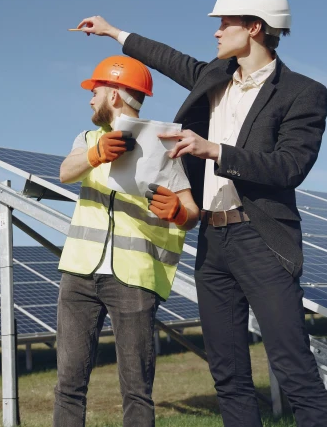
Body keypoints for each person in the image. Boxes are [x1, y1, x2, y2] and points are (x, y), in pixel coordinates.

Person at [75, 0, 327, 426]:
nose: (216, 32)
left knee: (295, 371)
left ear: (254, 27)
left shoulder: (303, 93)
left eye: (225, 24)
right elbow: (168, 58)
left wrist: (214, 150)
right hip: (213, 245)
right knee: (229, 376)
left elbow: (290, 166)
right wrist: (114, 32)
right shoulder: (213, 77)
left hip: (262, 240)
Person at [55, 55, 199, 427]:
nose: (90, 99)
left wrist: (180, 213)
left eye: (95, 90)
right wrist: (96, 154)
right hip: (79, 276)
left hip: (134, 279)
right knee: (69, 383)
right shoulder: (86, 139)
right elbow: (65, 173)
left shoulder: (163, 146)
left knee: (136, 389)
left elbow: (190, 210)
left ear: (115, 95)